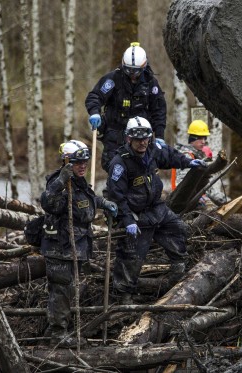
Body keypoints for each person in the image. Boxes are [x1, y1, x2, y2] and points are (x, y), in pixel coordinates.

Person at [107, 116, 206, 304]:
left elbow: (169, 155)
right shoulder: (120, 163)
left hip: (156, 208)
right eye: (138, 139)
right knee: (132, 258)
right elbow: (116, 195)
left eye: (146, 138)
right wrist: (127, 220)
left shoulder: (152, 149)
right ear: (129, 139)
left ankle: (178, 271)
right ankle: (123, 297)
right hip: (137, 216)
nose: (143, 142)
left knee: (179, 230)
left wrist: (187, 162)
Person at [40, 140, 118, 348]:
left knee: (67, 290)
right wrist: (60, 182)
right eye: (77, 162)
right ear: (66, 162)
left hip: (77, 247)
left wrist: (104, 204)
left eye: (85, 161)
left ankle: (52, 330)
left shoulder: (80, 182)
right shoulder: (59, 183)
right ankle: (58, 335)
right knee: (62, 291)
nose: (82, 165)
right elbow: (47, 203)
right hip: (61, 249)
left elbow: (88, 200)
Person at [85, 42, 167, 172]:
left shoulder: (151, 83)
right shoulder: (113, 79)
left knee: (145, 174)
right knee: (115, 171)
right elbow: (95, 96)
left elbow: (159, 110)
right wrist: (94, 112)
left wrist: (160, 136)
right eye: (129, 70)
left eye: (136, 71)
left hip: (141, 138)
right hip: (115, 137)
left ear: (144, 67)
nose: (132, 75)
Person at [171, 119, 227, 206]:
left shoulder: (198, 155)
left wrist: (224, 200)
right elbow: (183, 185)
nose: (203, 142)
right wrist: (198, 198)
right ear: (192, 138)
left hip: (196, 197)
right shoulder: (186, 156)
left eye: (205, 138)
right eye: (200, 138)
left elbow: (206, 185)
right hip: (183, 201)